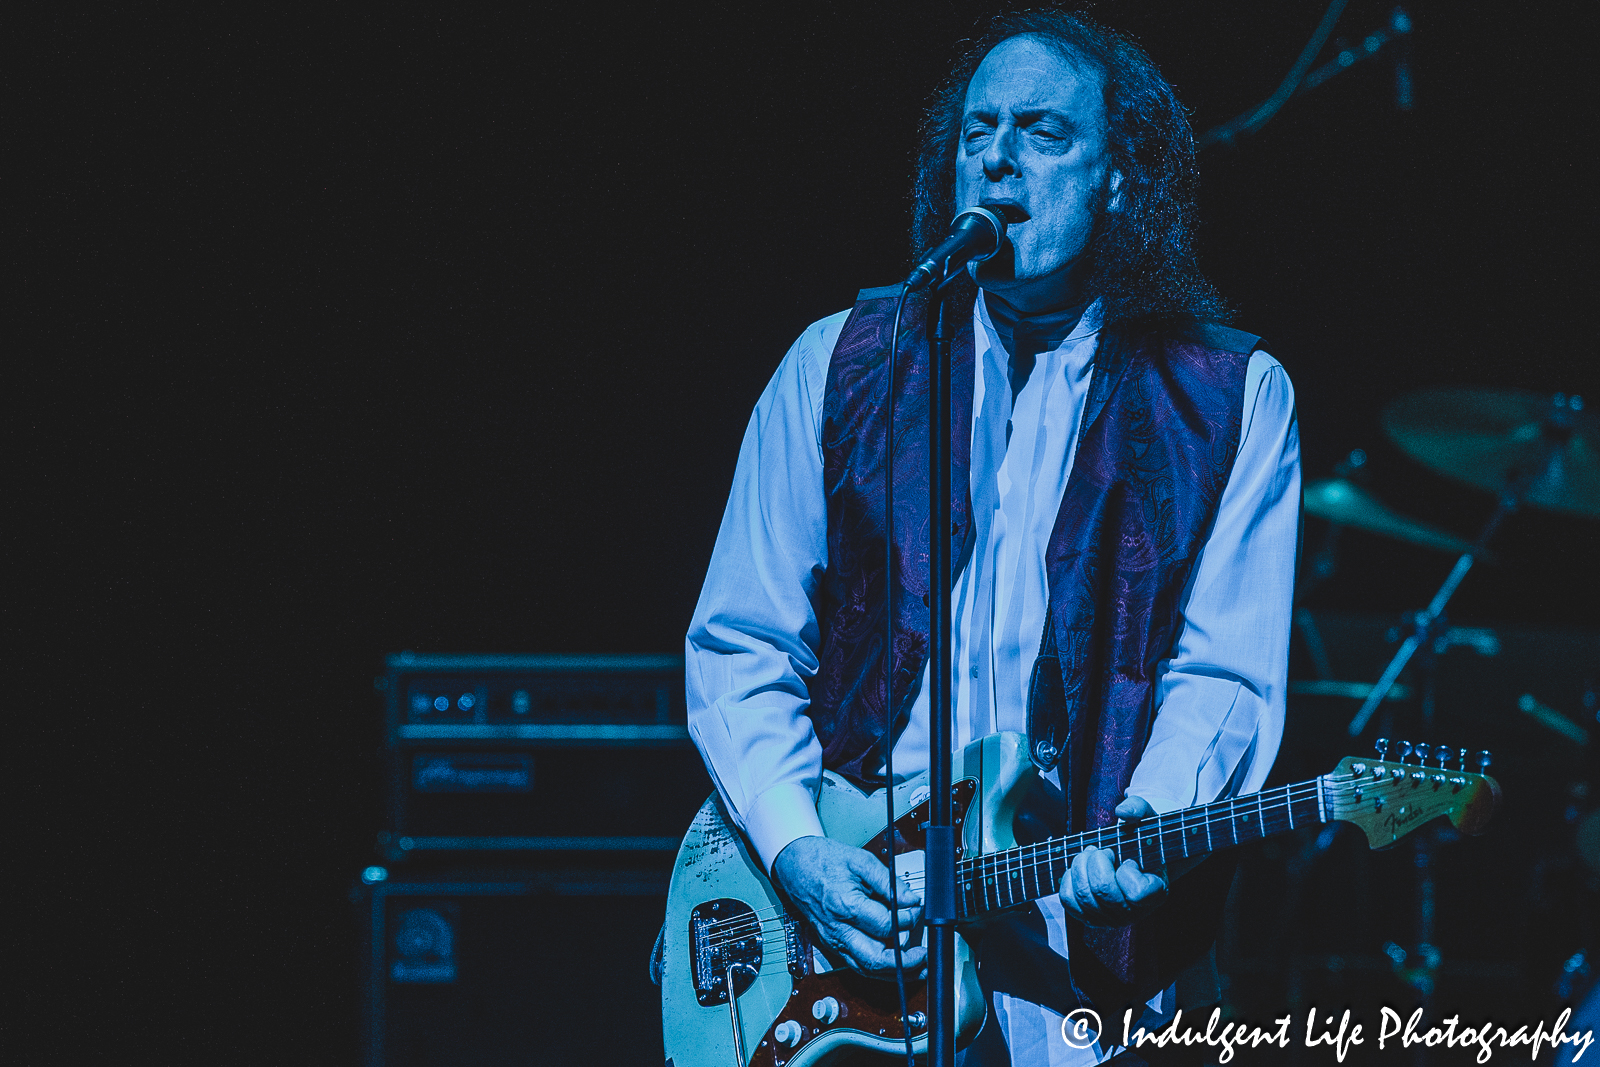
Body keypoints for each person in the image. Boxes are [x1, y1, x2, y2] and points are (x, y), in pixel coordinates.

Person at [685, 10, 1299, 1065]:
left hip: (1080, 951)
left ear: (1119, 175)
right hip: (855, 934)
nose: (1000, 159)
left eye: (1043, 133)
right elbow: (742, 636)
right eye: (979, 131)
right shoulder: (841, 363)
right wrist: (795, 850)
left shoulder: (1226, 395)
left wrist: (1151, 816)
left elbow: (1225, 674)